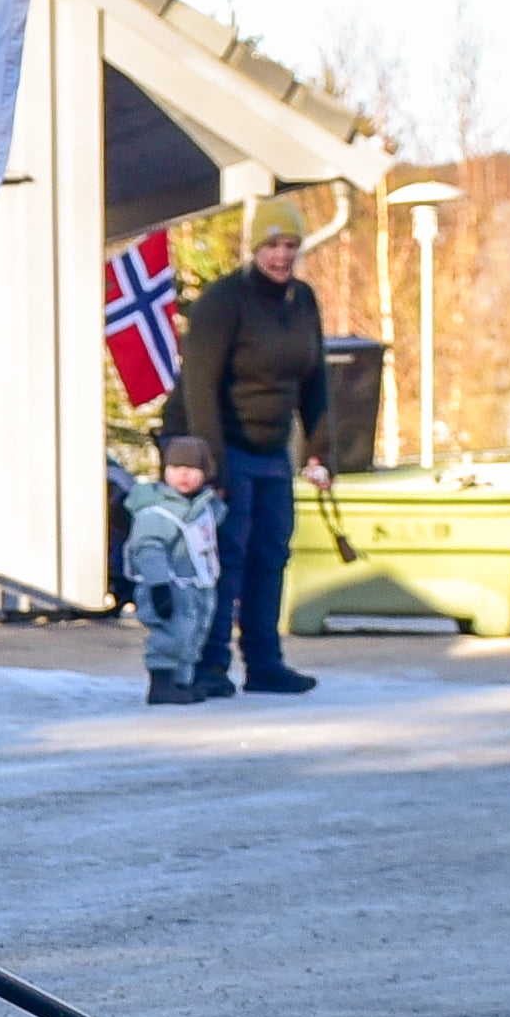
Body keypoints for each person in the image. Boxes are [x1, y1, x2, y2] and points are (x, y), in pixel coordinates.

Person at [162, 218, 332, 694]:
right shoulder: (223, 301)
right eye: (273, 245)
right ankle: (210, 665)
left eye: (291, 246)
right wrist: (210, 465)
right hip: (221, 440)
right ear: (255, 248)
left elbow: (315, 381)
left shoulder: (302, 302)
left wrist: (319, 451)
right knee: (225, 555)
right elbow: (200, 386)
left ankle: (264, 663)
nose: (282, 256)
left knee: (271, 552)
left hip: (271, 446)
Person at [122, 434, 227, 707]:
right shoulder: (157, 511)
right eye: (175, 468)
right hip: (167, 586)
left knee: (193, 634)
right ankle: (162, 683)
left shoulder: (204, 507)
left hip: (197, 585)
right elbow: (148, 548)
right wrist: (159, 585)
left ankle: (183, 681)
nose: (183, 475)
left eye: (192, 469)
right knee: (171, 634)